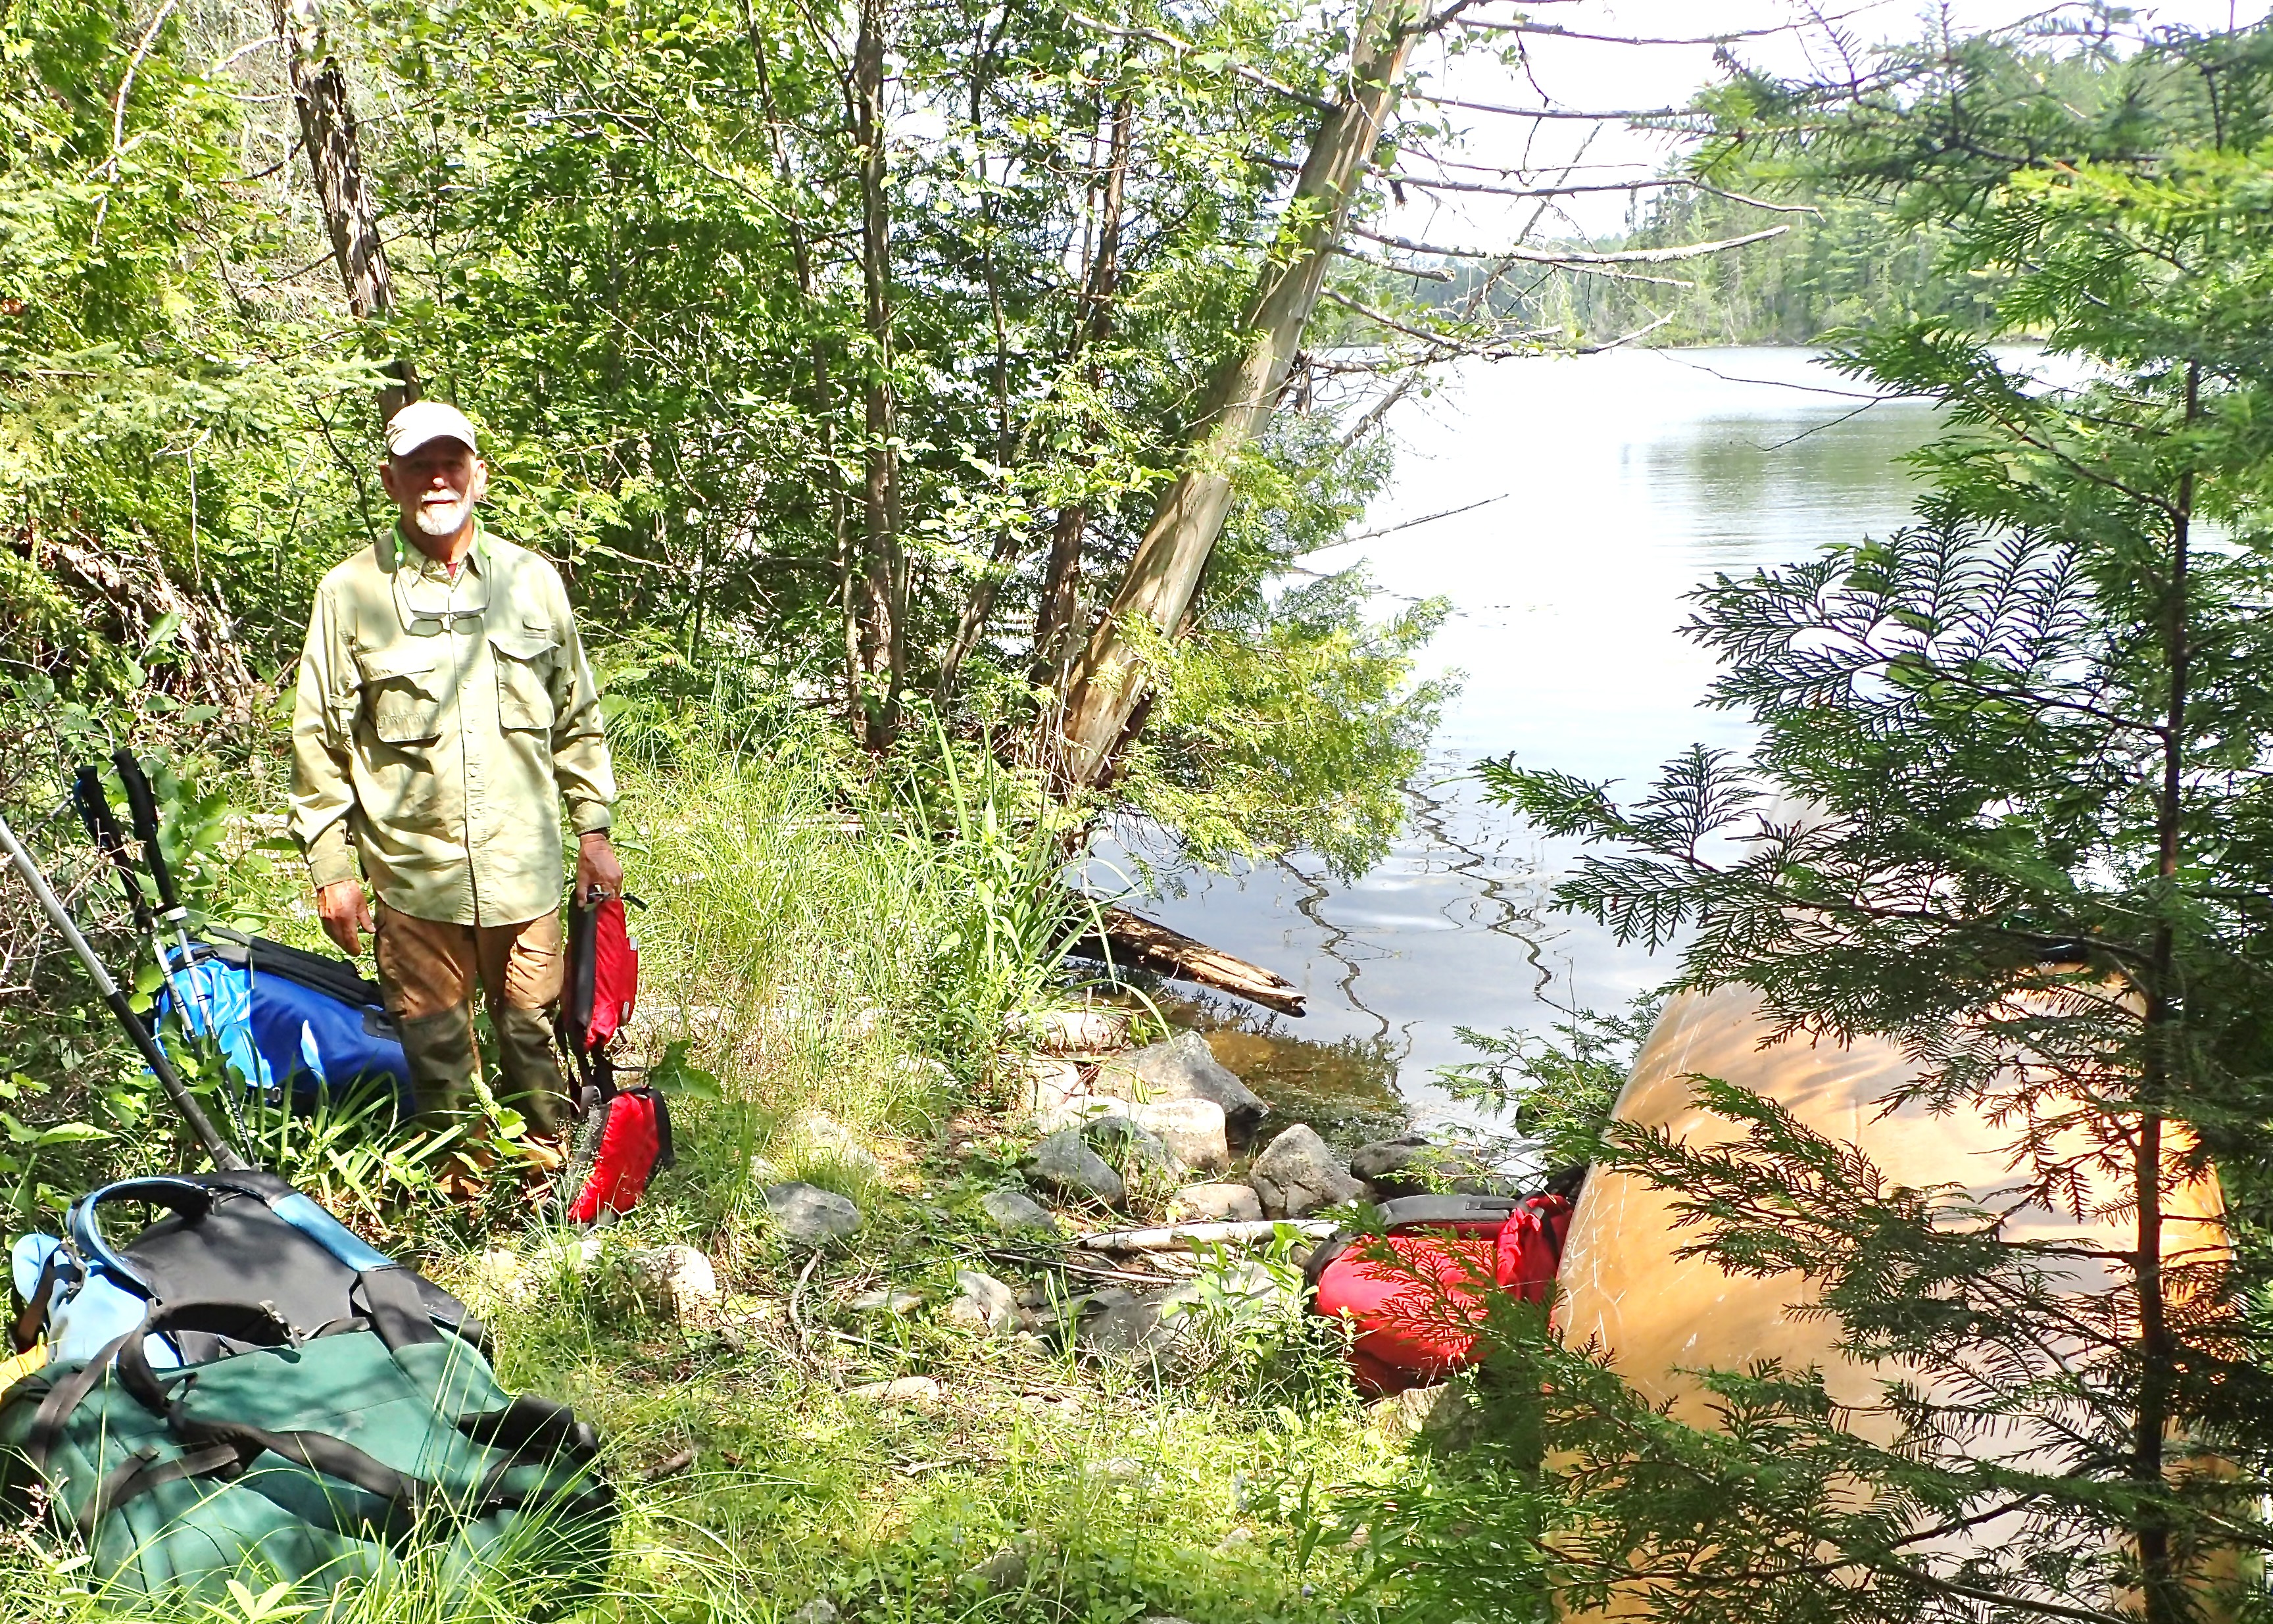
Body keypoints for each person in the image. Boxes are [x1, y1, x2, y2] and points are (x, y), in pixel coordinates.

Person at [288, 400, 622, 1169]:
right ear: (391, 481)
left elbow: (577, 715)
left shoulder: (532, 582)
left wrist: (594, 829)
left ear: (479, 475)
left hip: (524, 870)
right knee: (437, 1051)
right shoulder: (350, 592)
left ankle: (545, 1187)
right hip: (414, 877)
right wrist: (333, 870)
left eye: (451, 464)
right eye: (419, 467)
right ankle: (462, 1197)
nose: (437, 480)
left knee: (534, 1033)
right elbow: (320, 737)